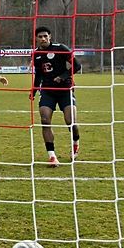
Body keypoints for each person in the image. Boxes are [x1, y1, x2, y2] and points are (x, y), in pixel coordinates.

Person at [30, 26, 81, 167]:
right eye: (40, 36)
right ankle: (52, 156)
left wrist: (62, 76)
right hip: (47, 91)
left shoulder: (61, 48)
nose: (43, 39)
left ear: (50, 36)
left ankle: (75, 144)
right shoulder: (36, 54)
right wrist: (33, 91)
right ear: (36, 38)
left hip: (65, 89)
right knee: (45, 120)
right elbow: (39, 74)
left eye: (45, 36)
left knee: (71, 121)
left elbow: (77, 66)